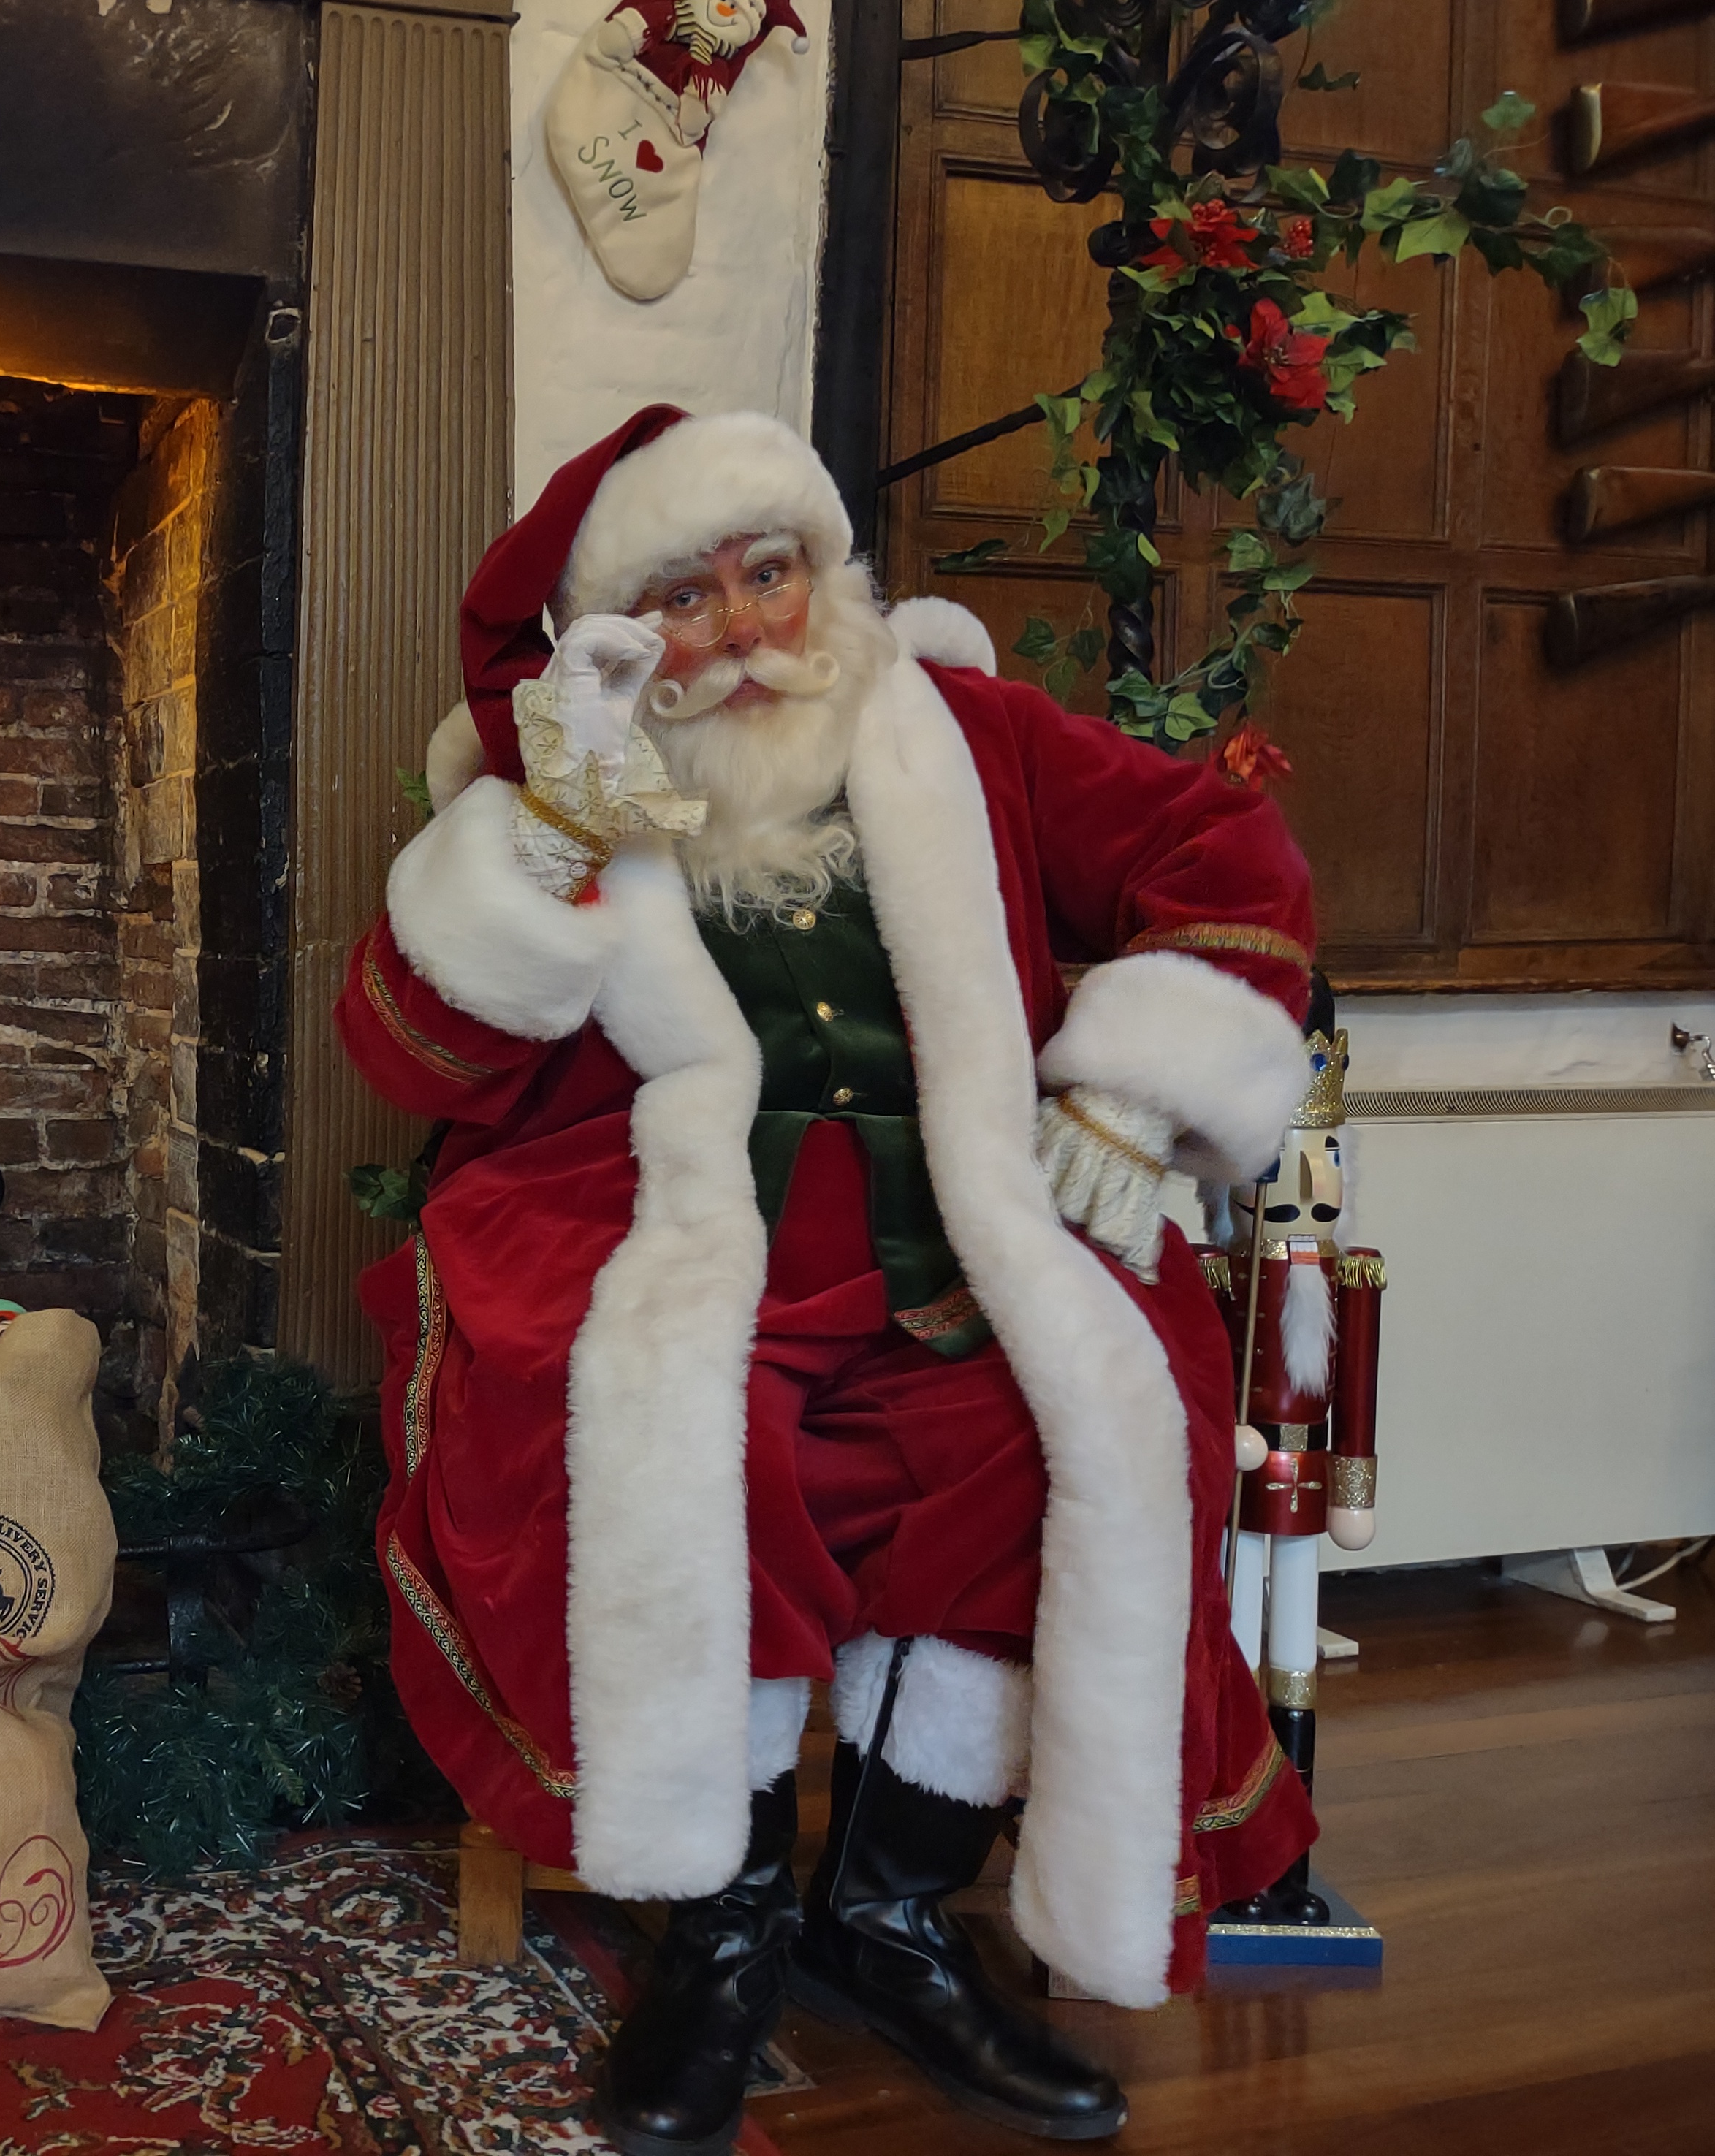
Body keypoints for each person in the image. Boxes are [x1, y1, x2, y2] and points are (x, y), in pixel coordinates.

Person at [338, 408, 1318, 2152]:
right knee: (683, 1454)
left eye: (769, 574)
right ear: (615, 635)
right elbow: (416, 1054)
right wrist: (552, 839)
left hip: (957, 1237)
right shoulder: (563, 789)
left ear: (825, 576)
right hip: (676, 1232)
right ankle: (718, 1939)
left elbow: (1217, 854)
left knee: (1060, 1446)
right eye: (685, 599)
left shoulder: (966, 734)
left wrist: (1124, 1082)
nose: (740, 632)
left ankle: (880, 1919)